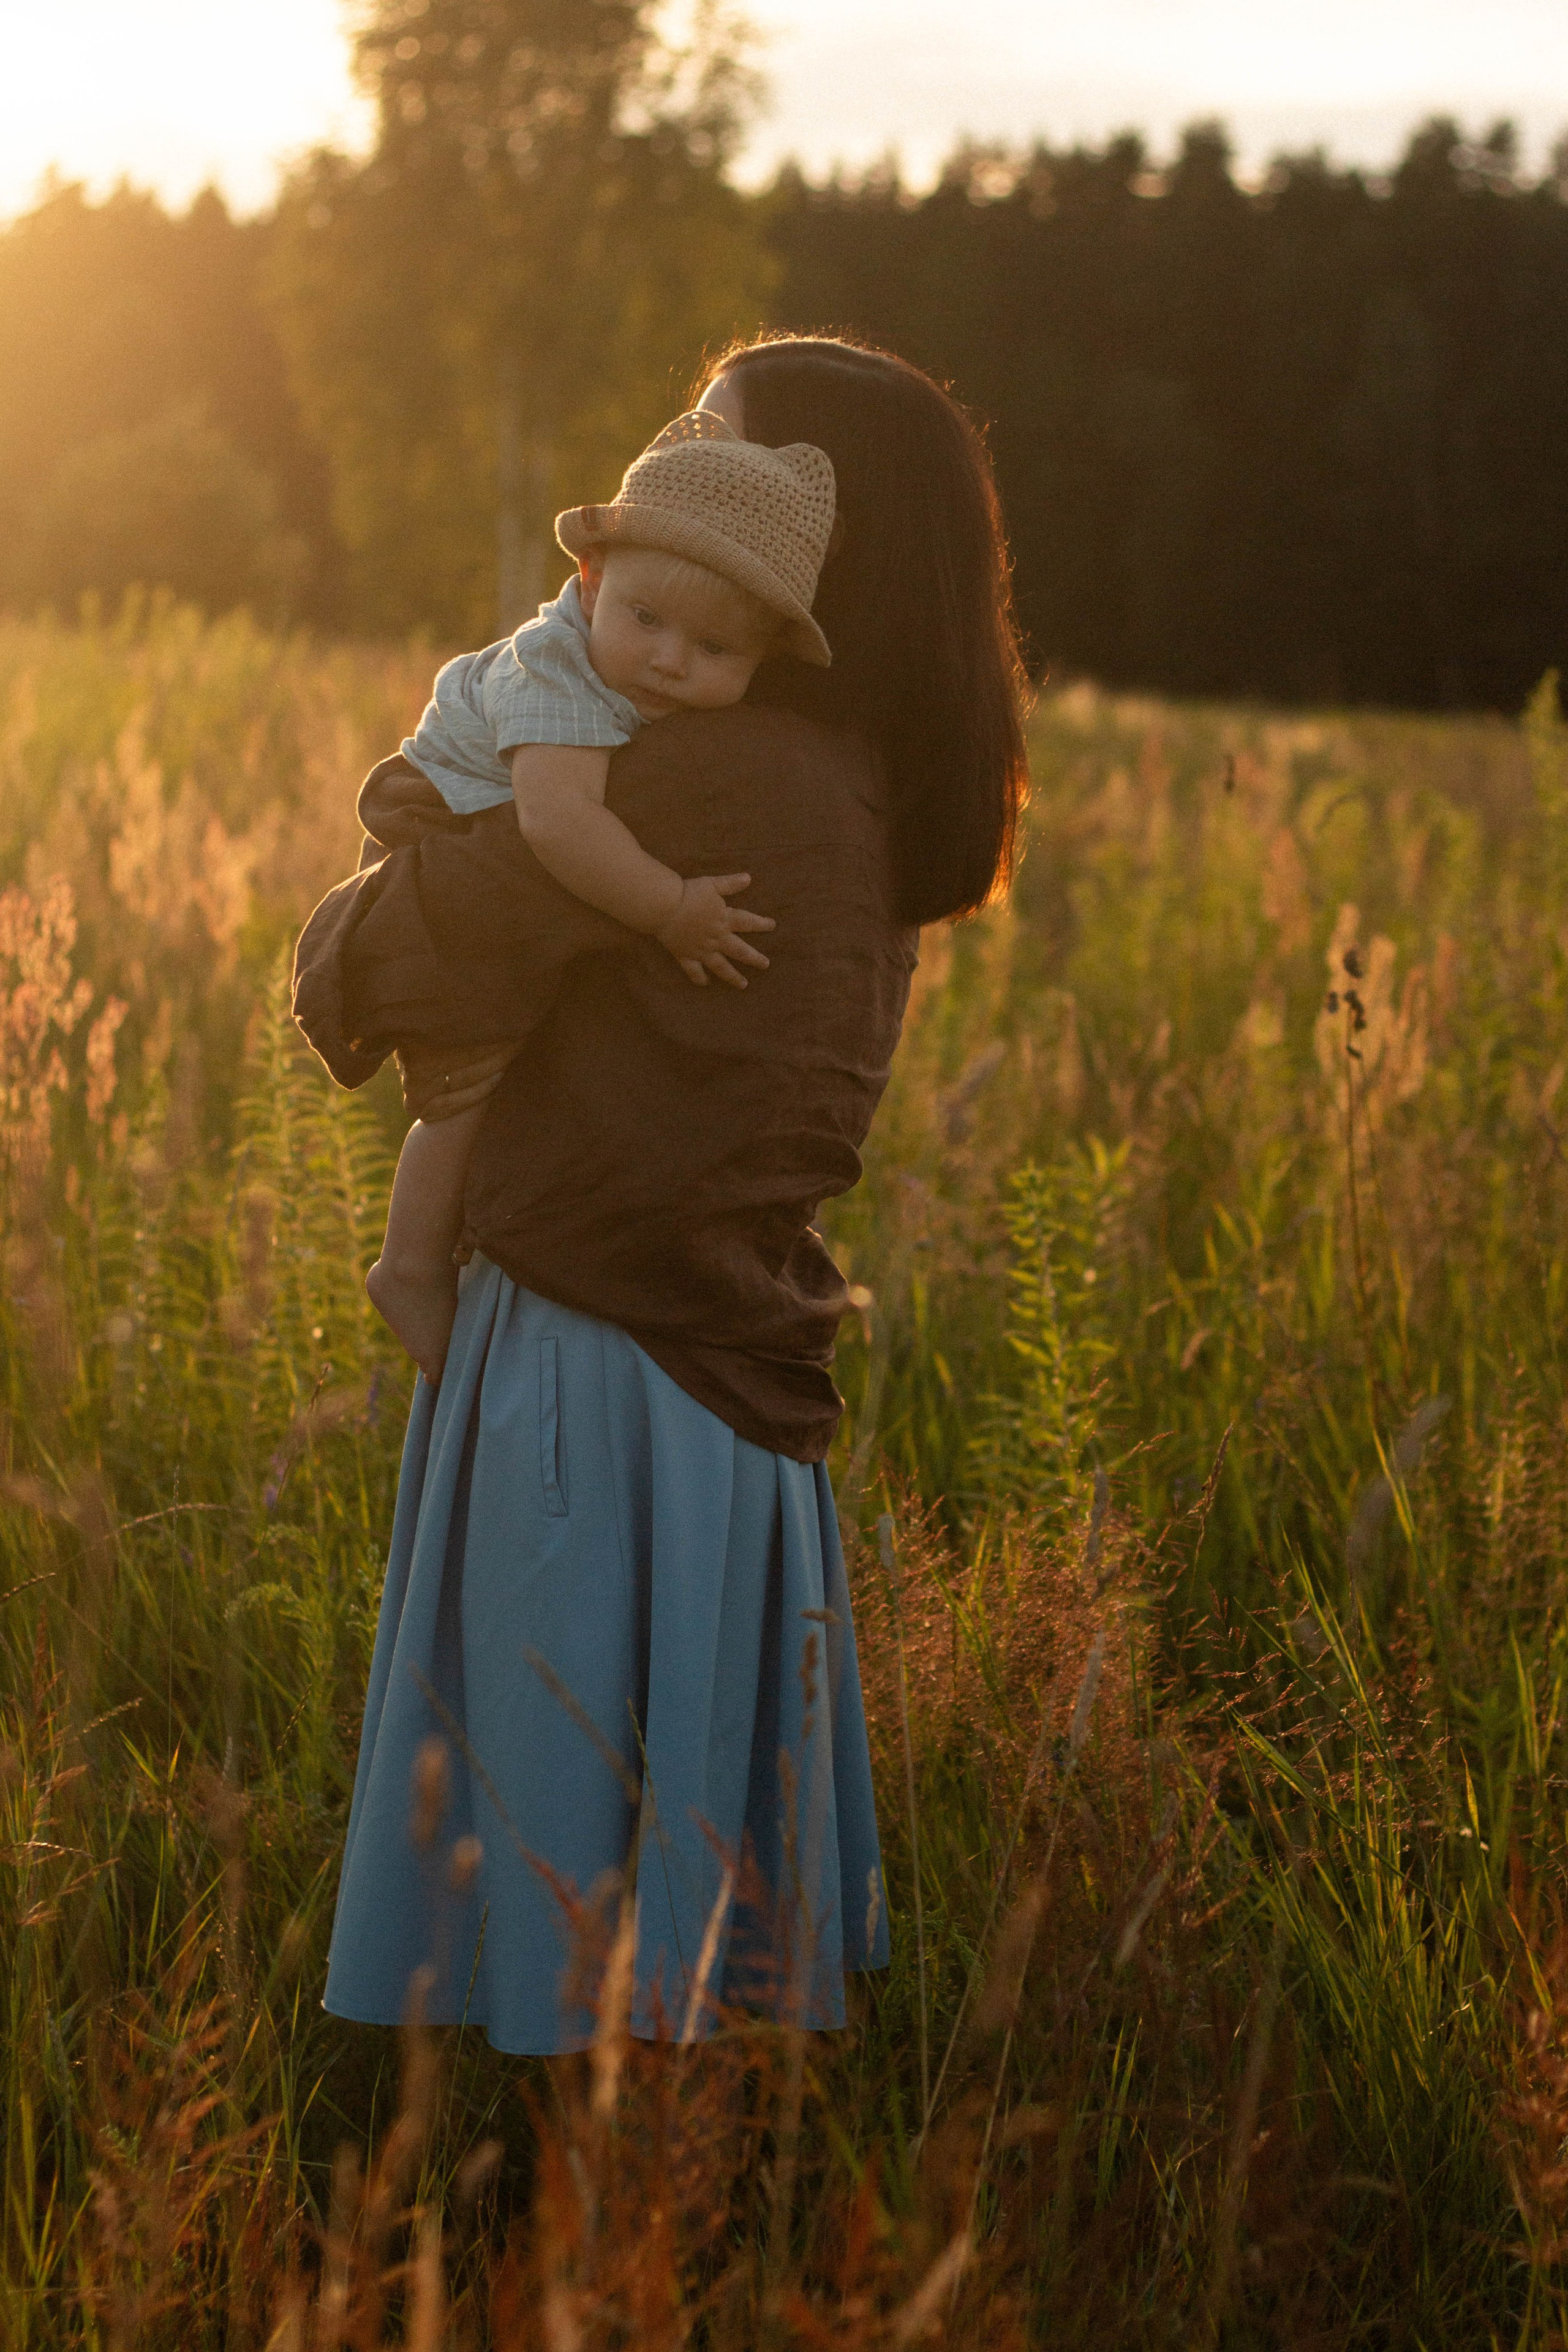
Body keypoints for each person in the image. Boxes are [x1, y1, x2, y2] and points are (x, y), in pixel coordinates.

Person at [292, 333, 1028, 2054]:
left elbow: (378, 958)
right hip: (724, 1365)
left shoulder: (700, 772)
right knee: (678, 1844)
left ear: (804, 545)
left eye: (714, 440)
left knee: (571, 1849)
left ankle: (586, 2252)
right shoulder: (861, 778)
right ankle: (668, 2224)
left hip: (595, 1361)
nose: (669, 459)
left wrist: (358, 911)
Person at [366, 410, 838, 1384]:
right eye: (646, 620)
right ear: (589, 585)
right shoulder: (560, 669)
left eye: (715, 651)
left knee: (517, 1069)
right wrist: (671, 908)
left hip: (490, 841)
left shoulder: (623, 667)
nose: (669, 660)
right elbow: (559, 824)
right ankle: (408, 1262)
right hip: (444, 833)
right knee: (471, 1072)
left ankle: (446, 1240)